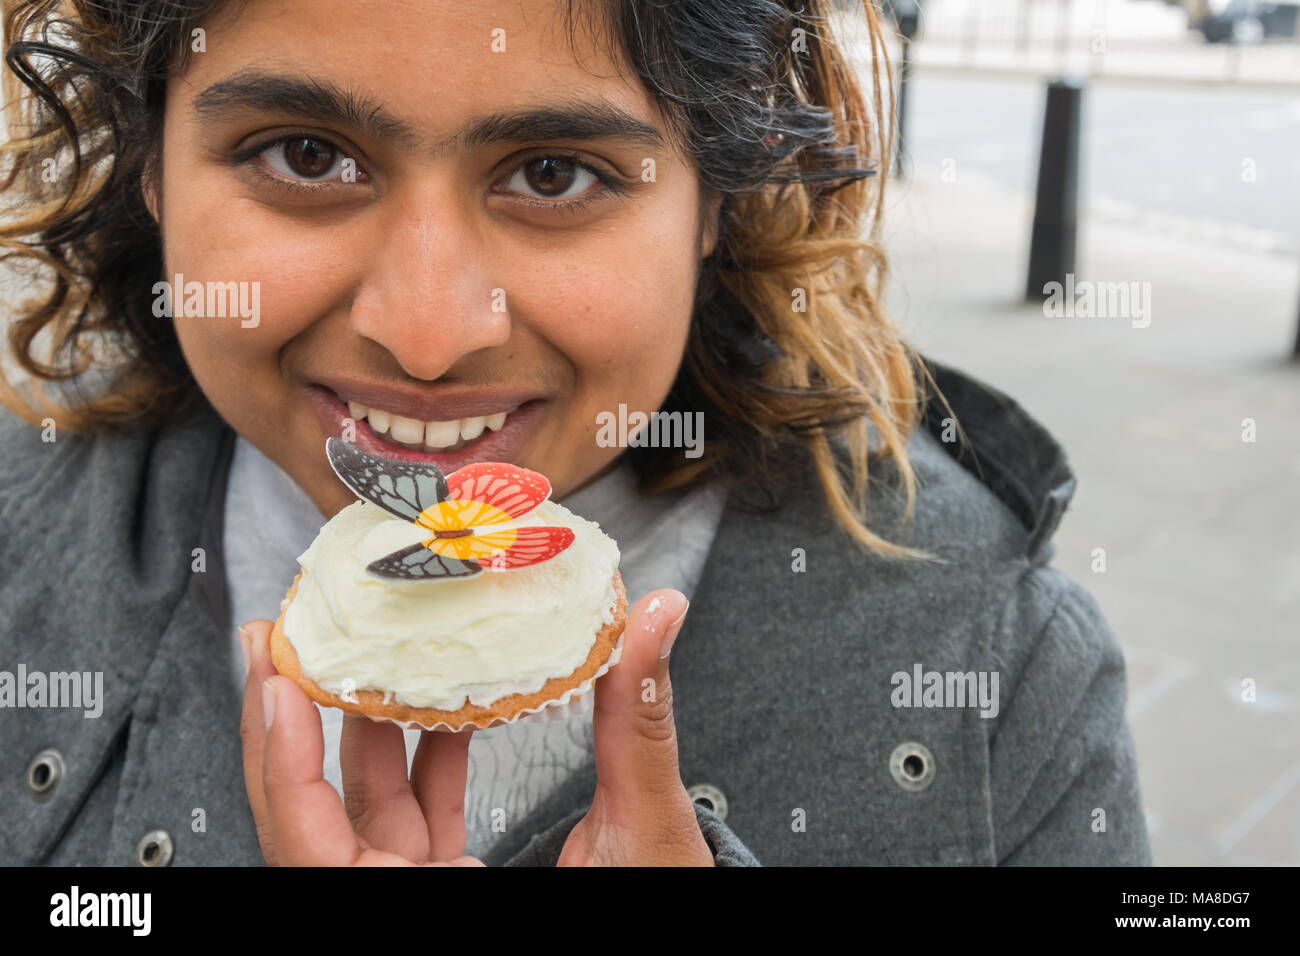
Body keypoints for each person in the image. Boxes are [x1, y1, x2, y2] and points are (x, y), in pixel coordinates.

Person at [0, 0, 1152, 866]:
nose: (430, 335)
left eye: (552, 174)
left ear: (717, 199)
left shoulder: (997, 679)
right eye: (307, 155)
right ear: (150, 165)